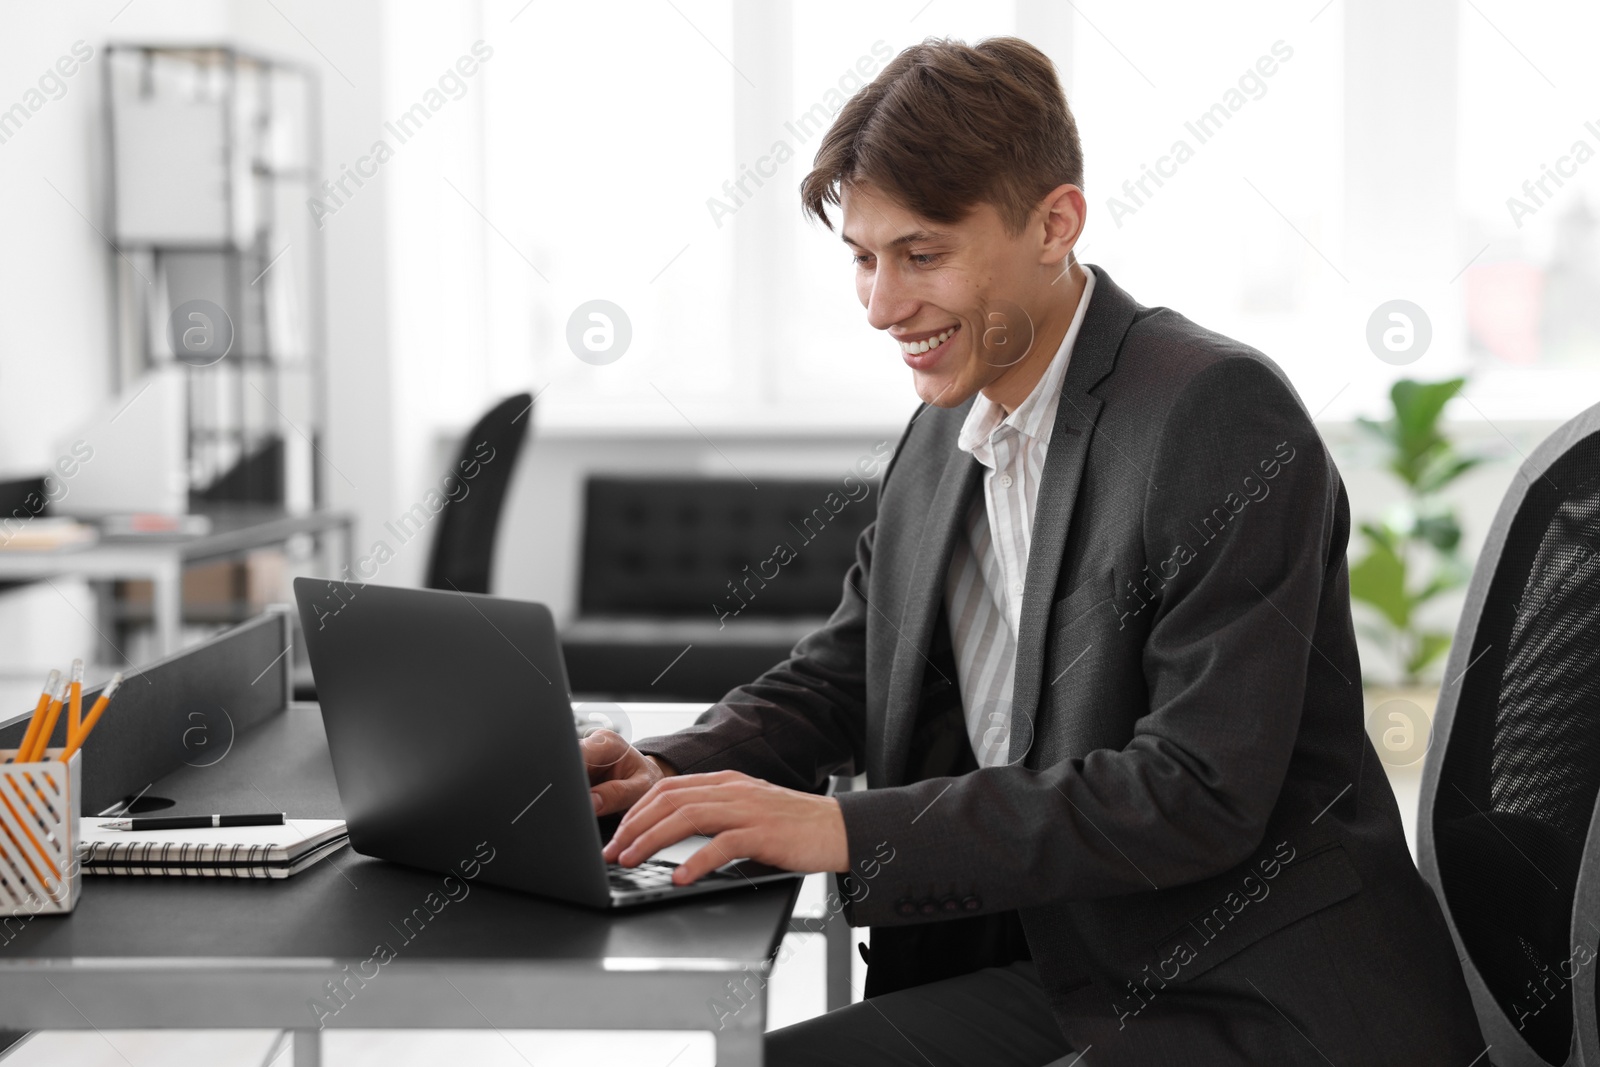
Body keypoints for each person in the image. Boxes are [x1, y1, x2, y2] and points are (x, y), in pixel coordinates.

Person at [582, 35, 1485, 1066]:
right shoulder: (945, 426)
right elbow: (839, 675)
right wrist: (668, 769)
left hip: (1246, 988)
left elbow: (1195, 789)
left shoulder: (1214, 416)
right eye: (863, 259)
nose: (882, 307)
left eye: (922, 254)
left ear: (1055, 224)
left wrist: (846, 830)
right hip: (1068, 966)